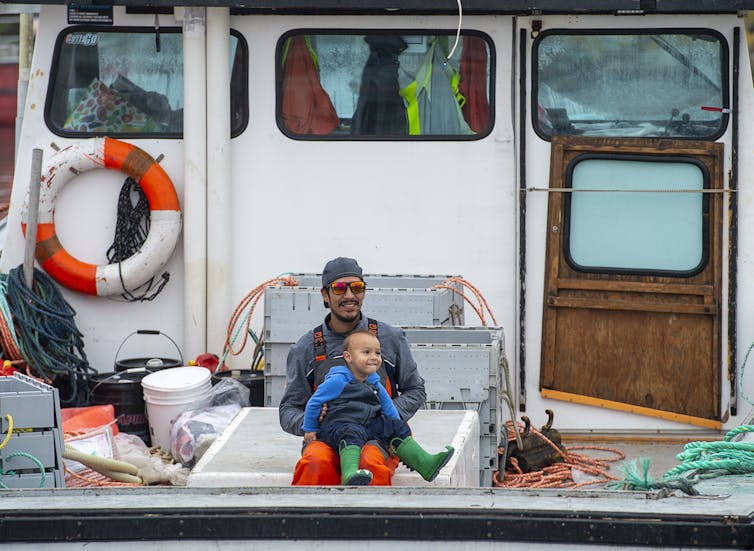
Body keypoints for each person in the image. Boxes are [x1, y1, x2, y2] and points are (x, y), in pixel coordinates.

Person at [279, 256, 427, 485]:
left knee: (368, 463)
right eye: (339, 288)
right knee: (314, 463)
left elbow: (416, 390)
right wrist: (311, 421)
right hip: (327, 438)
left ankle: (377, 521)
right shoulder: (305, 348)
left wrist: (381, 415)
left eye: (356, 287)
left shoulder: (390, 338)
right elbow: (288, 409)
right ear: (325, 295)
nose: (349, 295)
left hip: (376, 439)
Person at [303, 330, 454, 485]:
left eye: (378, 353)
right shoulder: (337, 380)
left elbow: (388, 406)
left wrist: (396, 428)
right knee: (352, 432)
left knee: (394, 426)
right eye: (366, 352)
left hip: (366, 425)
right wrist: (310, 428)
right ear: (348, 357)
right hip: (338, 427)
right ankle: (350, 474)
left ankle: (426, 464)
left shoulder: (373, 381)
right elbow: (314, 402)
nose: (374, 357)